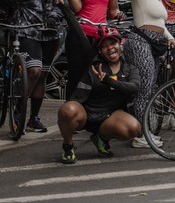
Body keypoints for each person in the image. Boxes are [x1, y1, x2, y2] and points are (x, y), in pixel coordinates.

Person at [106, 0, 175, 148]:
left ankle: (144, 130)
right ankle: (141, 135)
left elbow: (160, 23)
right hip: (140, 43)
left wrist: (170, 38)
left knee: (150, 88)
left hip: (154, 45)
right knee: (144, 91)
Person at [0, 0, 65, 133]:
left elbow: (58, 5)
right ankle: (18, 112)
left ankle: (33, 118)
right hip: (25, 32)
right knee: (34, 71)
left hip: (49, 35)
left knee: (42, 76)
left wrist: (54, 15)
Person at [57, 23, 141, 163]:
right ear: (100, 51)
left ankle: (101, 138)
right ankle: (68, 145)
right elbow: (79, 33)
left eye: (113, 43)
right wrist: (64, 6)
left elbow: (134, 87)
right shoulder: (93, 64)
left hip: (108, 117)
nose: (110, 48)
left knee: (133, 128)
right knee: (67, 110)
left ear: (120, 44)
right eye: (104, 46)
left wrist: (109, 81)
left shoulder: (130, 68)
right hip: (85, 113)